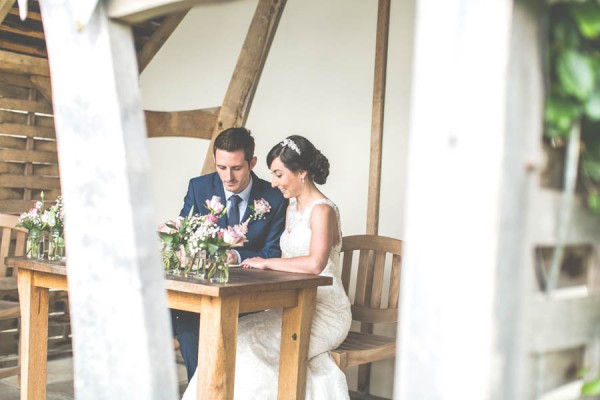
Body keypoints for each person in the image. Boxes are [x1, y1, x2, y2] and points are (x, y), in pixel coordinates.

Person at [182, 135, 352, 399]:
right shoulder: (293, 208)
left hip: (325, 312)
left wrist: (264, 262)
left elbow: (316, 263)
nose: (272, 182)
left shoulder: (323, 211)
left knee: (250, 350)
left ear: (302, 173)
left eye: (278, 174)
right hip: (294, 302)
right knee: (232, 340)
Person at [174, 127, 288, 381]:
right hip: (201, 290)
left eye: (236, 168)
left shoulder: (274, 197)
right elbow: (183, 235)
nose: (228, 177)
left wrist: (236, 257)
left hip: (247, 297)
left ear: (252, 163)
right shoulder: (199, 187)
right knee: (185, 325)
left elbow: (272, 251)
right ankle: (201, 391)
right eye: (221, 167)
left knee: (195, 328)